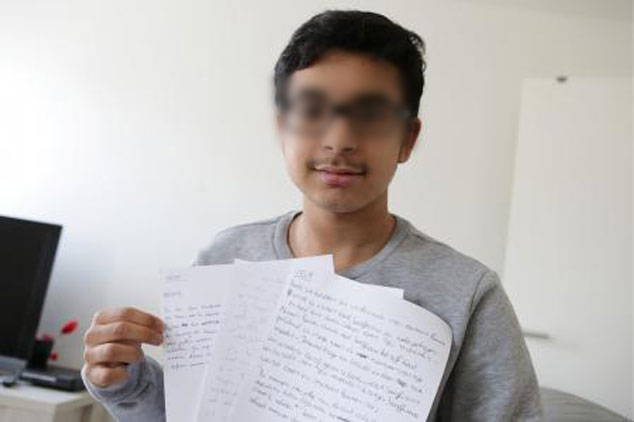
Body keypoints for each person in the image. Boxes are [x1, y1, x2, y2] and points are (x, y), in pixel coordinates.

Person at [81, 9, 543, 421]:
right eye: (312, 110)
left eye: (371, 114)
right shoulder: (224, 257)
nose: (339, 140)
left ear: (407, 139)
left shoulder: (467, 295)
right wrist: (124, 382)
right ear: (283, 128)